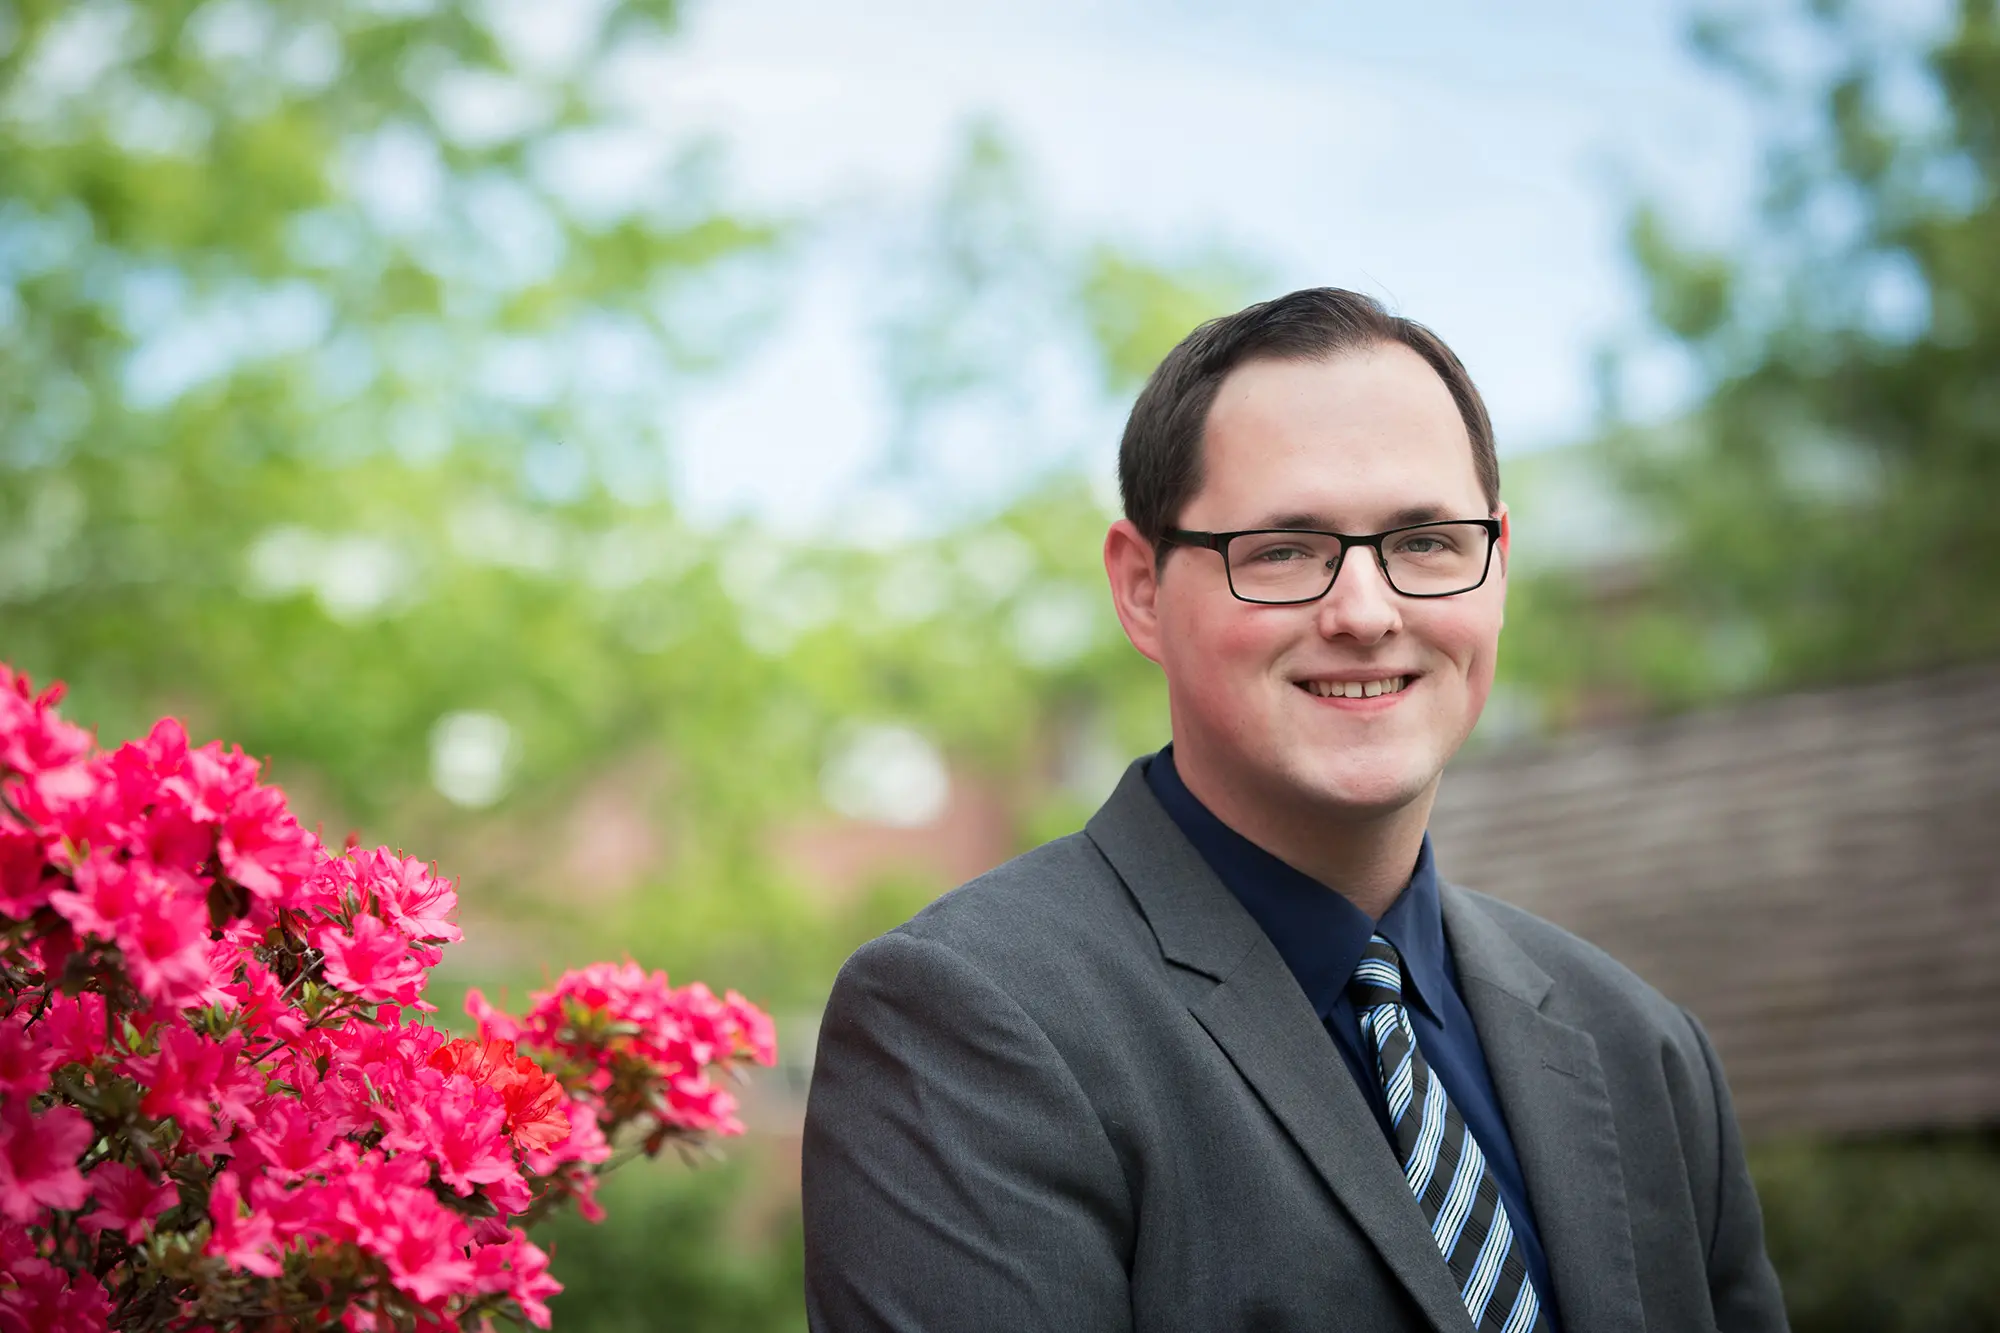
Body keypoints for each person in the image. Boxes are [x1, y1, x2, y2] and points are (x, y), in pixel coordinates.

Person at [800, 288, 1789, 1332]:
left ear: (1495, 560)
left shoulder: (1640, 1048)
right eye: (1280, 551)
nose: (1364, 612)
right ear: (1140, 587)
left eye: (1424, 541)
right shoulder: (965, 1023)